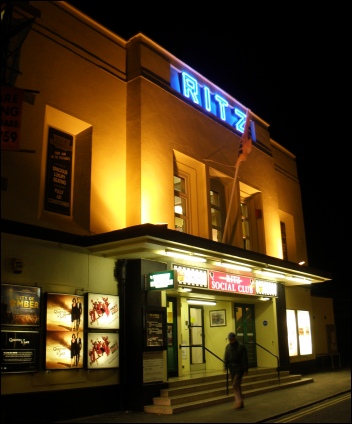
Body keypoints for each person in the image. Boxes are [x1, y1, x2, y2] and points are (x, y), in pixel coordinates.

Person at [224, 332, 248, 409]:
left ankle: (238, 401)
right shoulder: (228, 347)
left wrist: (245, 369)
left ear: (234, 338)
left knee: (235, 384)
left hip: (239, 368)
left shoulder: (241, 346)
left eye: (231, 338)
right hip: (232, 368)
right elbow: (226, 357)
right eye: (229, 339)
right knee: (236, 385)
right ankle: (240, 401)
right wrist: (225, 366)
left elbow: (244, 358)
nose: (230, 340)